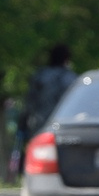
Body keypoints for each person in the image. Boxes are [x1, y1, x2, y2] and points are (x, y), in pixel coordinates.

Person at [14, 43, 77, 171]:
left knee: (40, 158)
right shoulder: (72, 79)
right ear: (67, 59)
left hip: (40, 124)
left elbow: (29, 103)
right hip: (66, 125)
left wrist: (22, 123)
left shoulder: (40, 76)